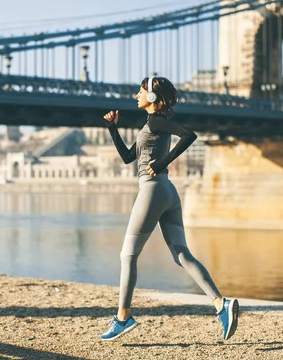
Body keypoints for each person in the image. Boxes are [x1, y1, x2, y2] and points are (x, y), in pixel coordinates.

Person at [101, 76, 239, 341]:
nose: (136, 95)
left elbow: (189, 135)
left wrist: (162, 161)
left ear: (152, 97)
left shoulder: (156, 121)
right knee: (181, 254)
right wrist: (112, 128)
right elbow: (129, 157)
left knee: (128, 255)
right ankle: (221, 305)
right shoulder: (151, 124)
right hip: (168, 192)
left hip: (153, 190)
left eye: (141, 91)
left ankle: (122, 318)